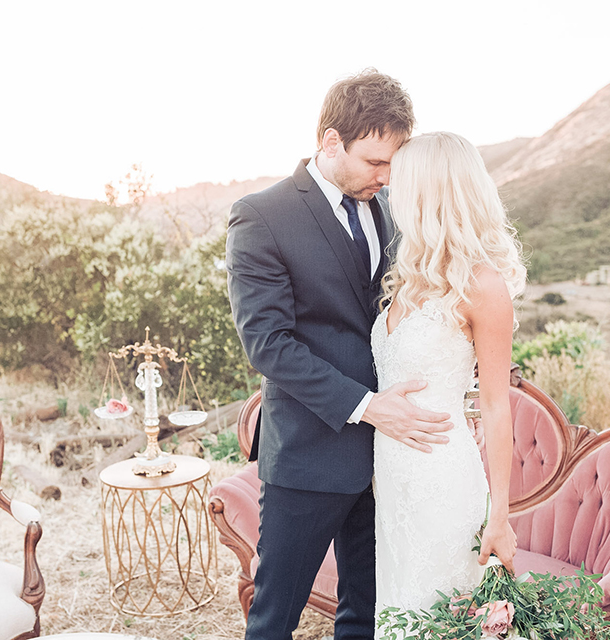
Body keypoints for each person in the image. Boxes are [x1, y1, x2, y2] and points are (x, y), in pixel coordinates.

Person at [226, 70, 473, 640]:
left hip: (391, 462)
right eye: (375, 163)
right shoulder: (261, 216)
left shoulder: (388, 209)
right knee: (273, 621)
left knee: (366, 614)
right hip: (308, 455)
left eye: (395, 165)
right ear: (331, 142)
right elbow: (267, 343)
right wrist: (367, 405)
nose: (387, 178)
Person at [371, 131, 525, 622]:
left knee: (441, 615)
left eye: (400, 183)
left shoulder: (483, 284)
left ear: (427, 191)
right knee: (400, 611)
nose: (389, 194)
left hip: (443, 479)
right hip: (391, 481)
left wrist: (498, 514)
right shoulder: (408, 275)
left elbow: (497, 406)